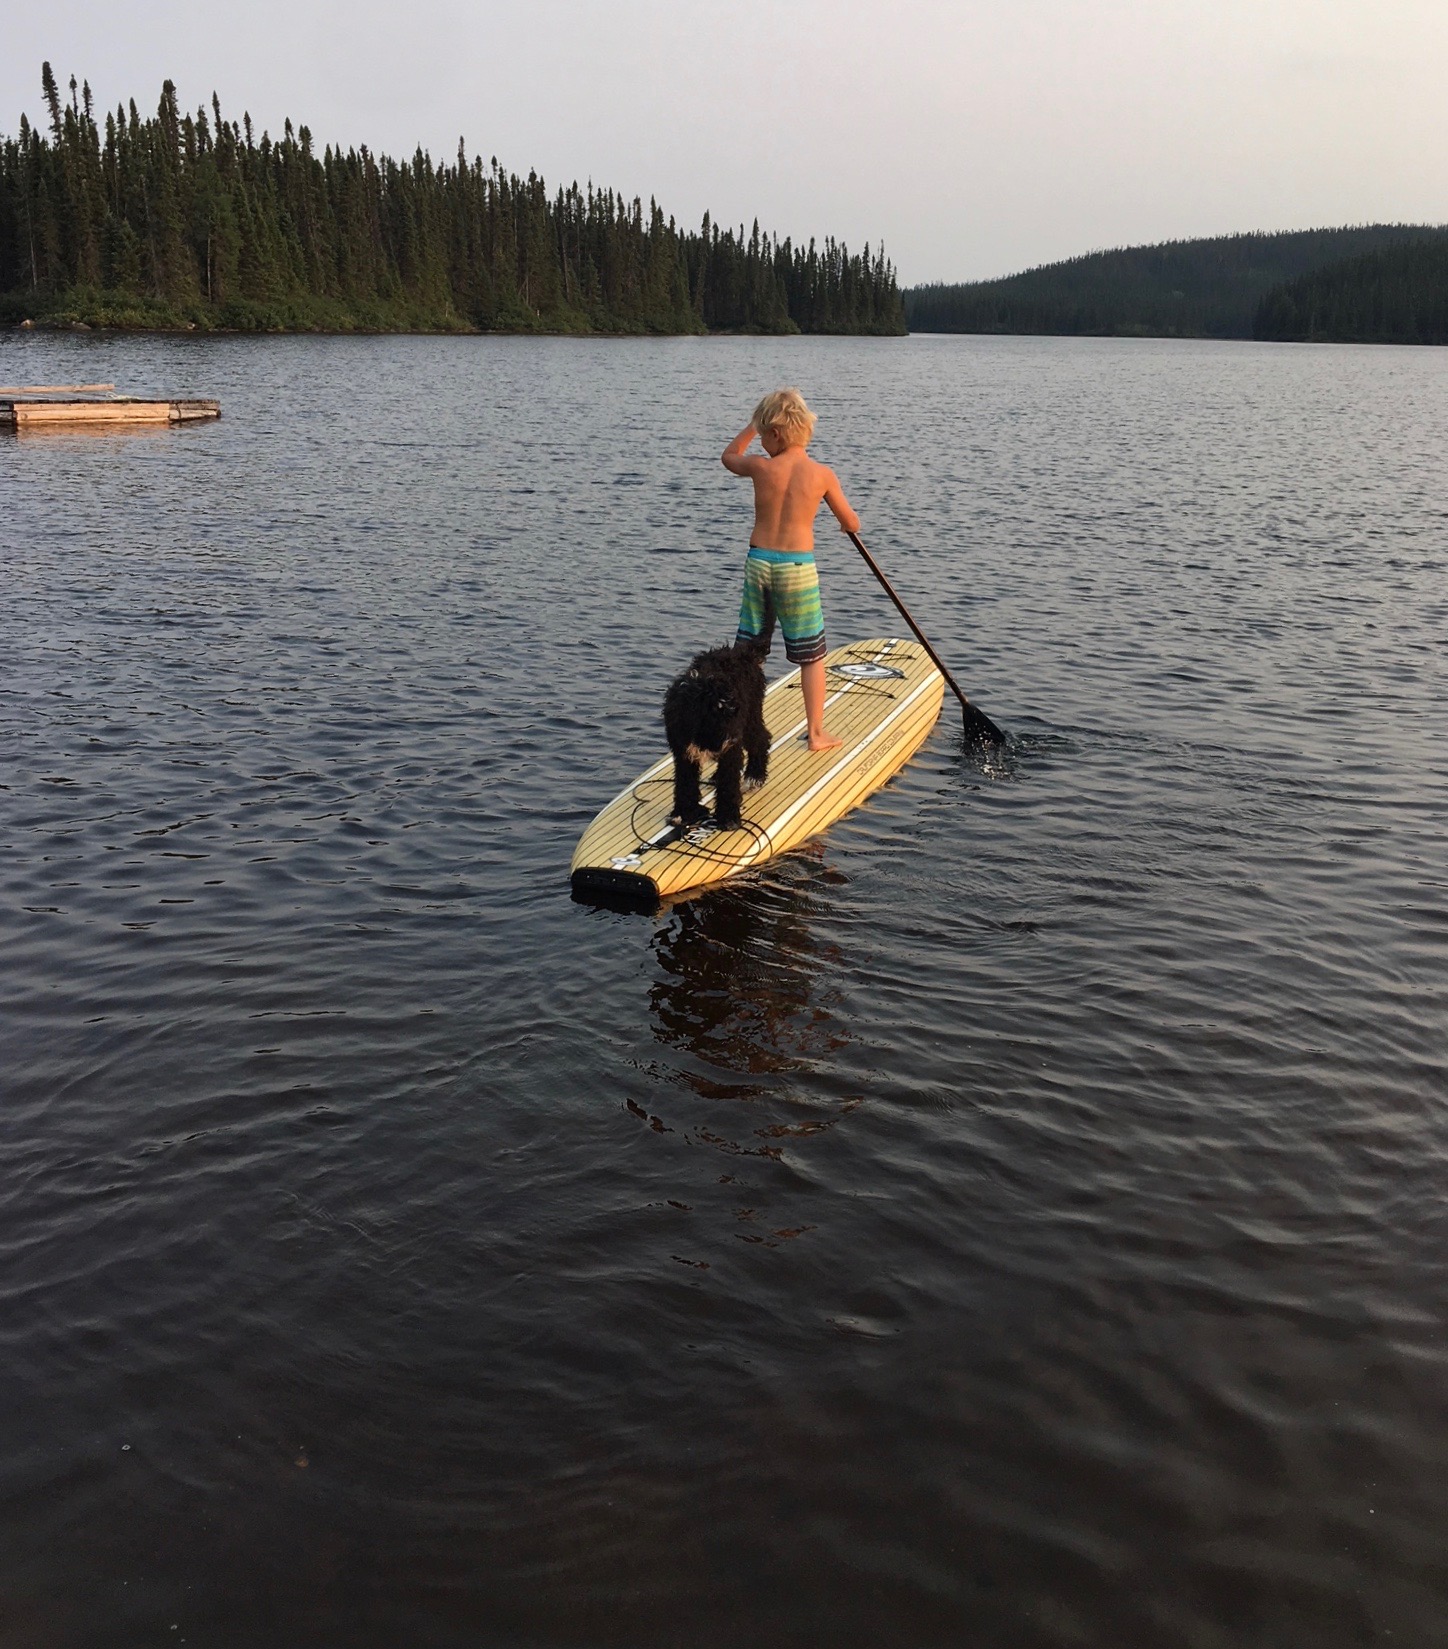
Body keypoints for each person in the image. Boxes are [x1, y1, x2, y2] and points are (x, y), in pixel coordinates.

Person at [721, 388, 859, 752]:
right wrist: (846, 524)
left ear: (776, 433)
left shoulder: (760, 467)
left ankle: (735, 730)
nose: (762, 441)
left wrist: (750, 426)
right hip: (796, 570)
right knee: (811, 655)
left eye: (765, 433)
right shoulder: (822, 475)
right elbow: (851, 522)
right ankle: (815, 734)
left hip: (759, 564)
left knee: (750, 653)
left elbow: (729, 457)